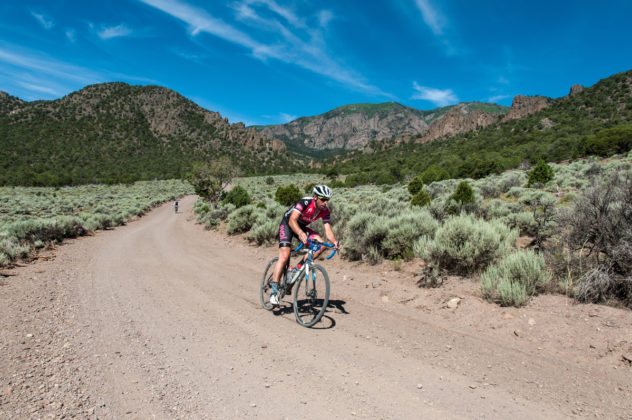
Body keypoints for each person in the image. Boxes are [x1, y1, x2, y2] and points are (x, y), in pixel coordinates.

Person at [269, 184, 341, 305]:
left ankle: (296, 269)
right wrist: (299, 233)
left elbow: (328, 229)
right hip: (288, 224)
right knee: (285, 256)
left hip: (301, 227)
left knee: (322, 244)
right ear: (315, 197)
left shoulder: (325, 211)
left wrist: (334, 241)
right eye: (323, 199)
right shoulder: (305, 202)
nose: (325, 203)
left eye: (327, 200)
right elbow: (292, 219)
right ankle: (274, 291)